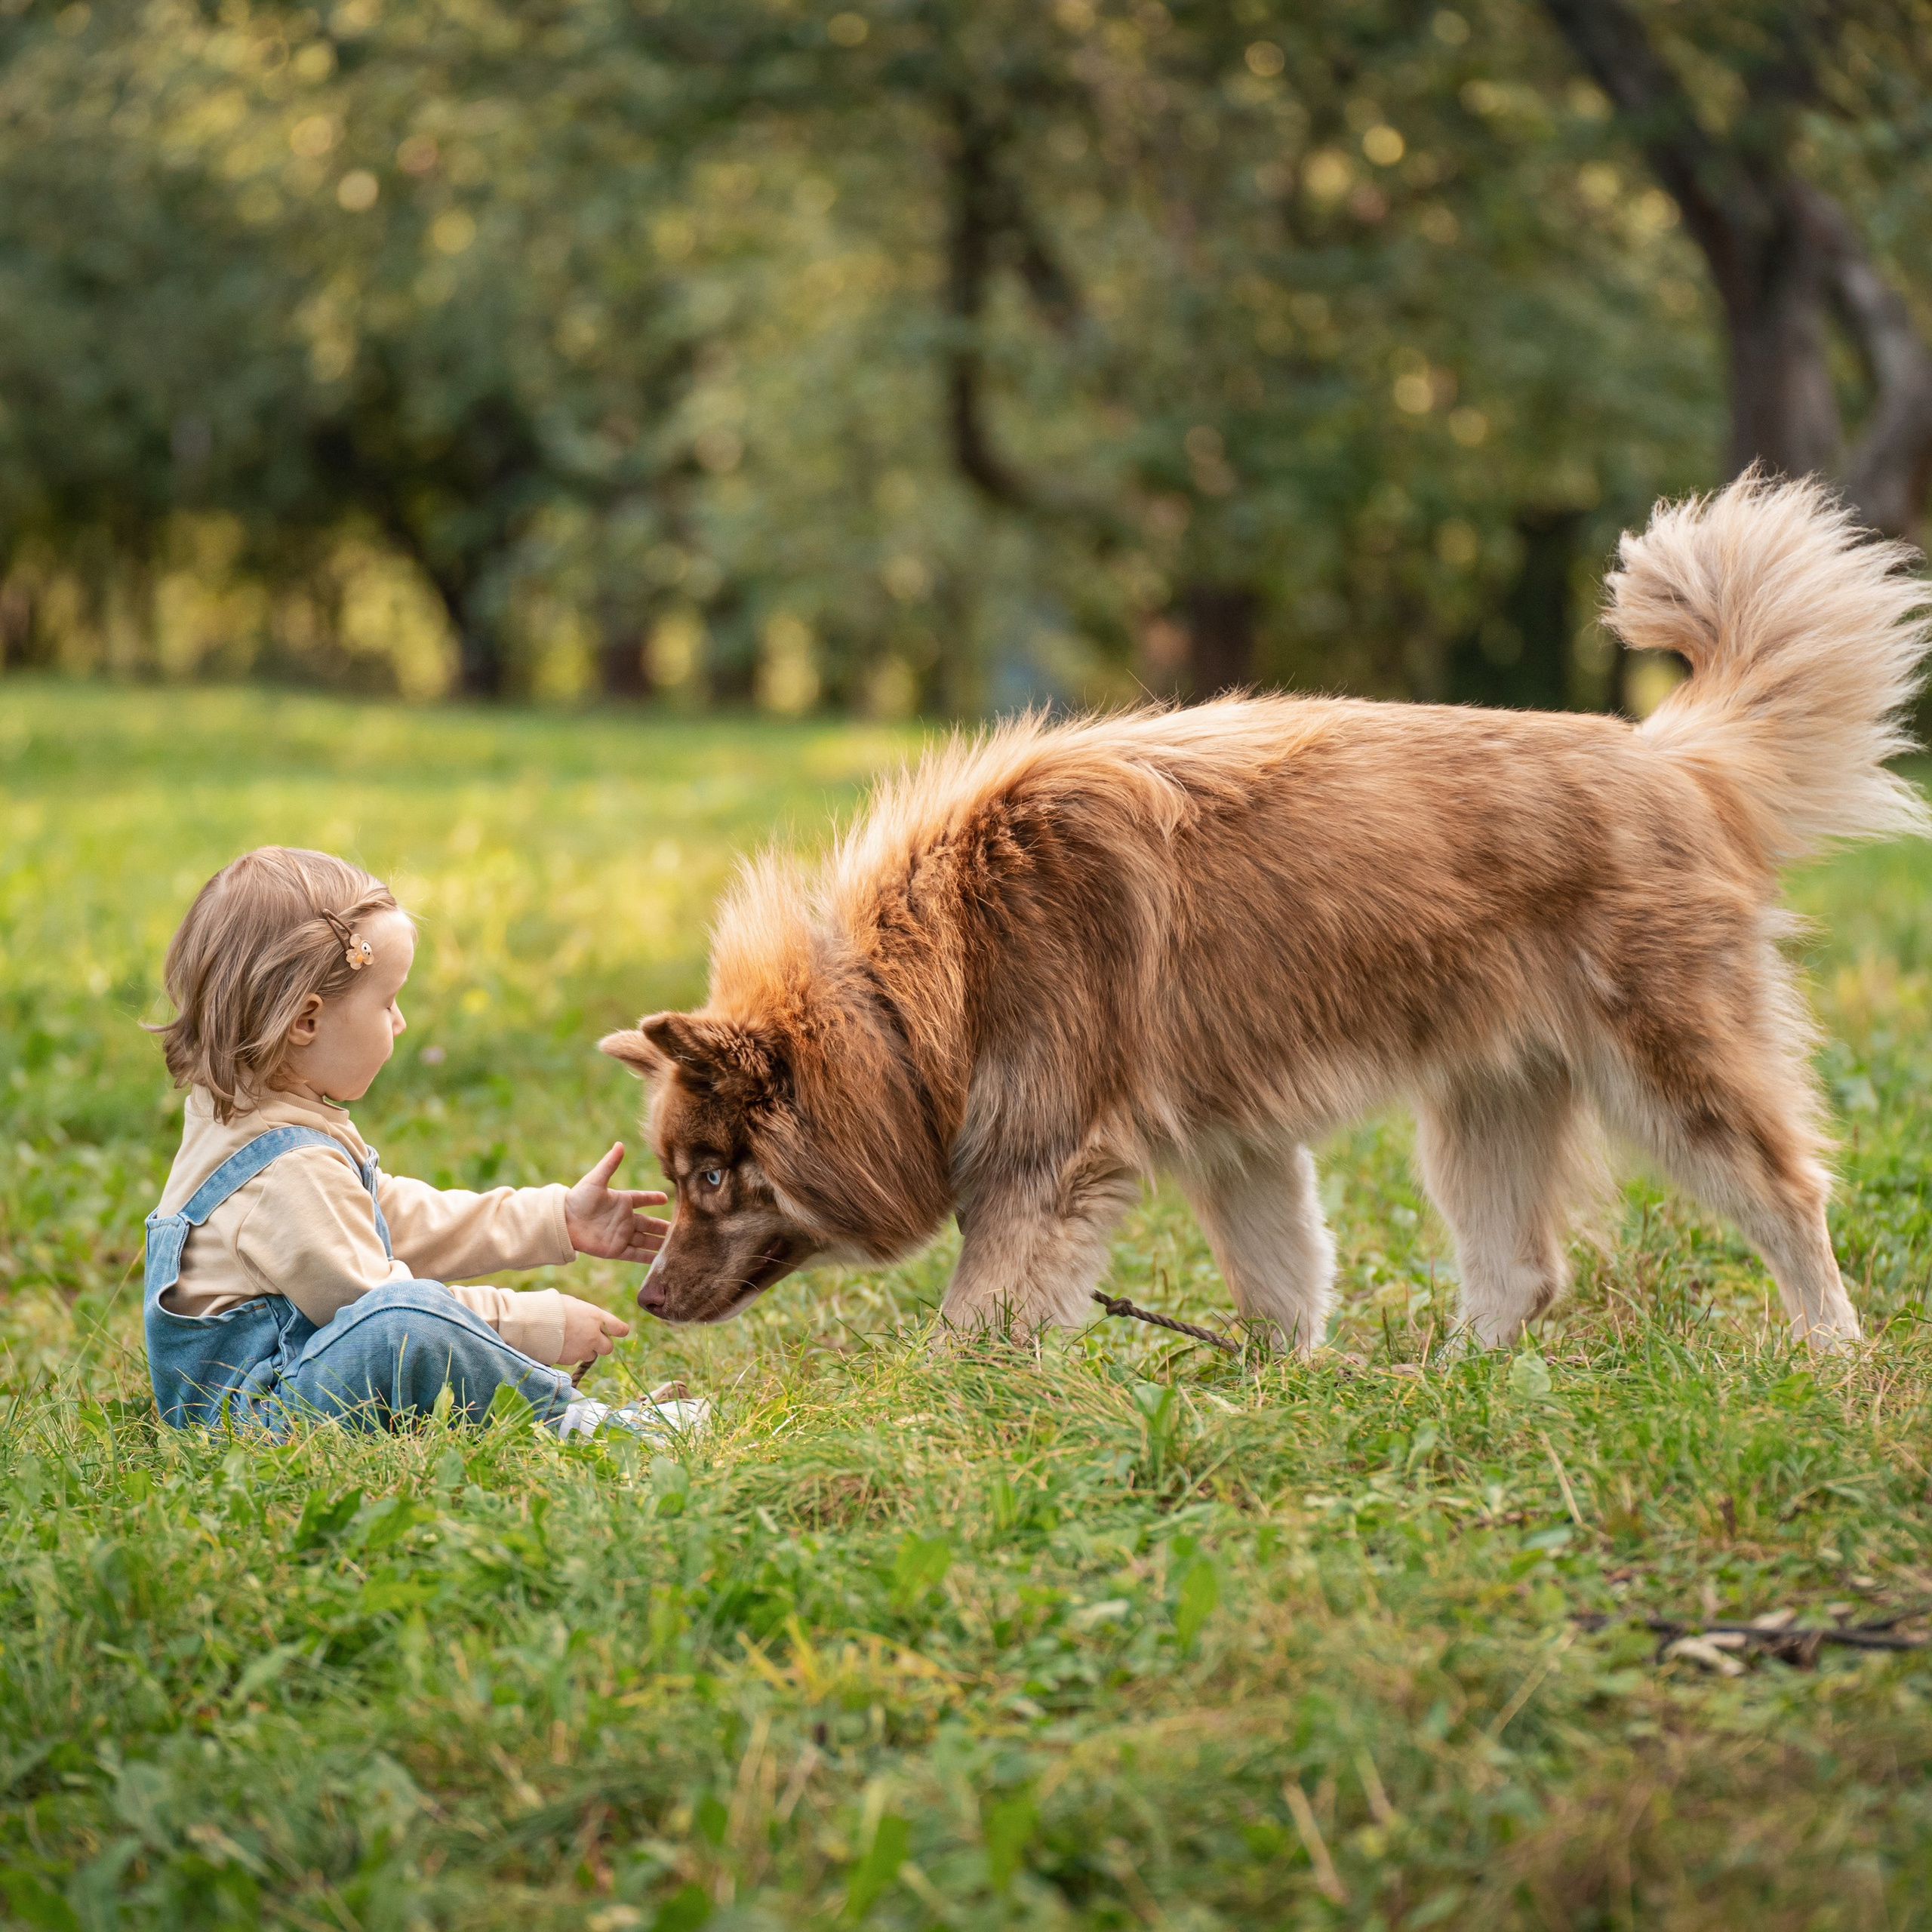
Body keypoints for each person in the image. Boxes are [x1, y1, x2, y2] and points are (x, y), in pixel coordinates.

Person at [143, 845, 698, 1438]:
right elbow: (388, 1307)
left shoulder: (246, 1117)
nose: (401, 1021)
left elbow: (391, 1219)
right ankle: (586, 1426)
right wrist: (530, 1321)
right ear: (306, 1020)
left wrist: (555, 1219)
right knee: (403, 1326)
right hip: (262, 1422)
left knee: (403, 1324)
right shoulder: (286, 1172)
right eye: (387, 1002)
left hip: (288, 1391)